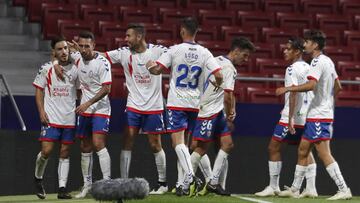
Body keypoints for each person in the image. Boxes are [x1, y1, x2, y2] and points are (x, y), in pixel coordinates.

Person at [146, 17, 223, 196]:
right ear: (196, 32)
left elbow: (157, 70)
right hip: (195, 104)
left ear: (182, 31)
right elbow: (219, 75)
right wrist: (216, 85)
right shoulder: (205, 52)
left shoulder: (175, 50)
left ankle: (189, 176)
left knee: (177, 143)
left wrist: (150, 66)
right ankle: (182, 184)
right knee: (188, 146)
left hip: (177, 103)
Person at [276, 30, 352, 200]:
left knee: (323, 153)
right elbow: (338, 86)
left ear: (315, 45)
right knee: (303, 150)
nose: (304, 45)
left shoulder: (317, 62)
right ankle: (295, 189)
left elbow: (311, 85)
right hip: (318, 113)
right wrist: (326, 101)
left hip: (319, 115)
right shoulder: (328, 61)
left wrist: (288, 88)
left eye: (307, 42)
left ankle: (343, 188)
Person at [103, 23, 168, 194]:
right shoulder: (124, 53)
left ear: (139, 37)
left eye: (128, 36)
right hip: (133, 106)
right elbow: (100, 57)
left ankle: (162, 183)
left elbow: (176, 57)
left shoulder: (158, 51)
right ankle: (124, 182)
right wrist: (76, 54)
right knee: (128, 140)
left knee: (155, 145)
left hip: (154, 106)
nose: (126, 39)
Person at [190, 37, 255, 196]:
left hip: (215, 110)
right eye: (244, 55)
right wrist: (230, 113)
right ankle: (184, 182)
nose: (246, 60)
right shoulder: (229, 68)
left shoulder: (217, 59)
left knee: (227, 144)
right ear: (236, 51)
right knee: (199, 148)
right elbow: (228, 95)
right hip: (209, 111)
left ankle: (213, 183)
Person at [255, 37, 318, 198]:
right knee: (306, 151)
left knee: (273, 147)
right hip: (307, 115)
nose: (284, 51)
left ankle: (273, 186)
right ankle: (311, 188)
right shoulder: (309, 67)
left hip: (293, 117)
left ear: (297, 51)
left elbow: (293, 93)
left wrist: (289, 118)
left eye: (288, 49)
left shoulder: (291, 69)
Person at [54, 31, 113, 198]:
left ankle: (107, 183)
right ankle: (87, 185)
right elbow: (59, 55)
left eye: (88, 46)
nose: (84, 49)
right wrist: (56, 64)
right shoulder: (77, 57)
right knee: (84, 147)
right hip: (85, 110)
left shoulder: (102, 63)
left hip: (101, 108)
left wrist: (87, 103)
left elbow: (106, 89)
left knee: (98, 143)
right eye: (81, 46)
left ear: (94, 46)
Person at [32, 36, 77, 199]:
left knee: (65, 152)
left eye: (65, 48)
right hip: (51, 117)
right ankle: (38, 178)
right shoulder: (46, 68)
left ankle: (62, 189)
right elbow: (39, 90)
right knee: (46, 151)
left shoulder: (75, 68)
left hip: (69, 118)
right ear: (54, 52)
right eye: (60, 49)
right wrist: (41, 111)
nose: (64, 51)